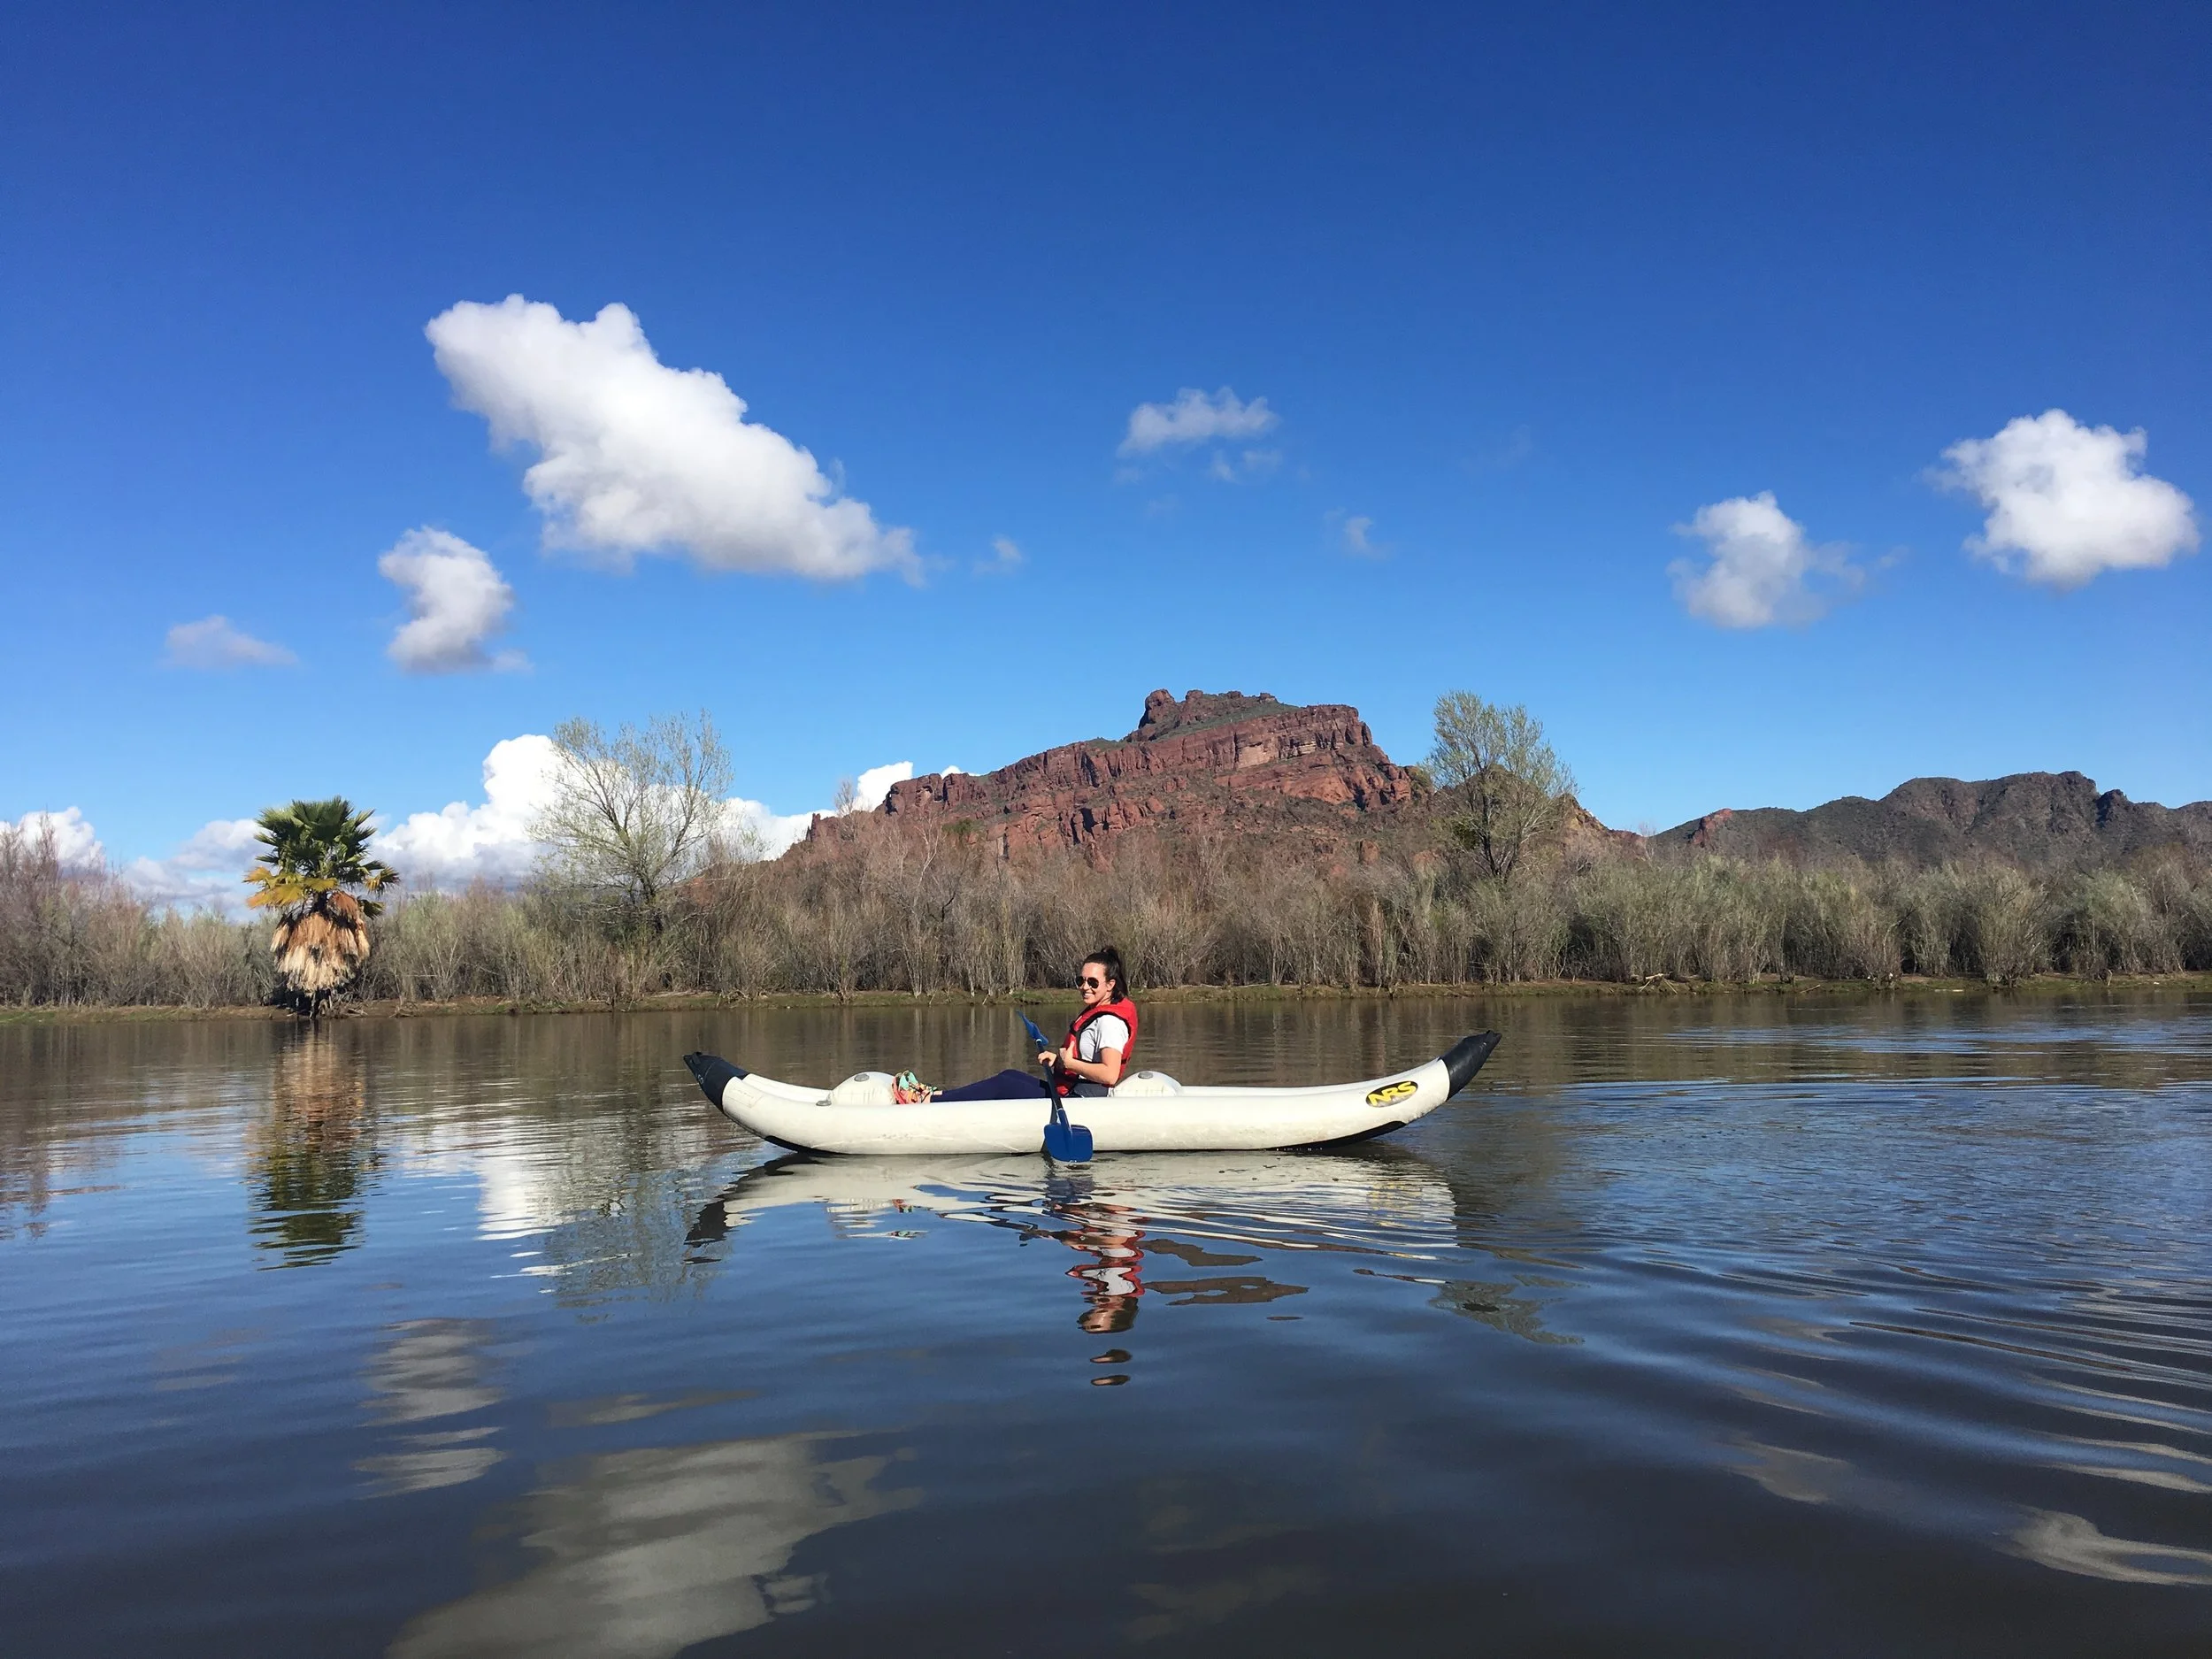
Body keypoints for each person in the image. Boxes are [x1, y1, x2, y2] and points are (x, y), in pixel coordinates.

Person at [922, 948, 1140, 1102]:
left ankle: (933, 1100)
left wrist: (1070, 1063)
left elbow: (1110, 1074)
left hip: (1080, 1101)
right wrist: (1058, 1061)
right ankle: (943, 1095)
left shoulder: (1109, 1022)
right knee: (1010, 1076)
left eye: (1093, 982)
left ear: (1110, 985)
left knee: (1004, 1085)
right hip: (1071, 1092)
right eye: (1080, 980)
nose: (1084, 987)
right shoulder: (1100, 1014)